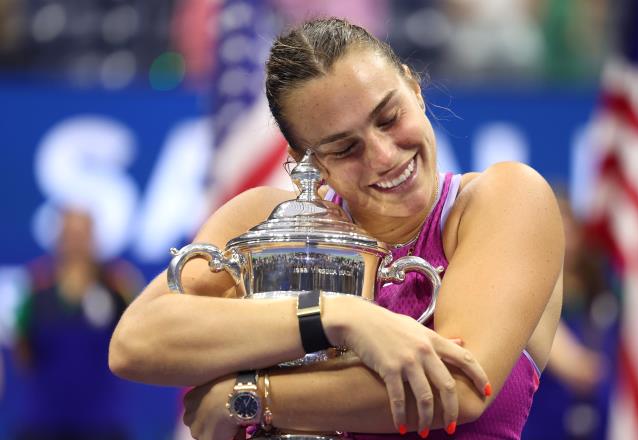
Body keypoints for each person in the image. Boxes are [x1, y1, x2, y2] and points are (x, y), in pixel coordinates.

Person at [109, 17, 564, 439]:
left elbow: (457, 388)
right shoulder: (263, 220)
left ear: (414, 87)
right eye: (345, 148)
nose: (384, 156)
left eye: (389, 118)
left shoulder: (505, 198)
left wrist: (249, 397)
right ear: (303, 161)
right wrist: (336, 317)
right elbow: (134, 344)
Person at [14, 208, 139, 440]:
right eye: (70, 235)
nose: (76, 243)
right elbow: (22, 350)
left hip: (101, 424)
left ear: (93, 238)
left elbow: (136, 337)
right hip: (44, 423)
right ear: (59, 238)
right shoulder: (37, 285)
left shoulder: (117, 284)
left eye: (82, 235)